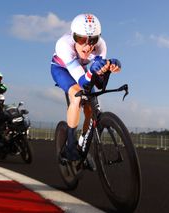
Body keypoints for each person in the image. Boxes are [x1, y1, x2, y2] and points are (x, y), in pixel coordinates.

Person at [50, 13, 121, 161]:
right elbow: (83, 82)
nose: (88, 46)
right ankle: (70, 146)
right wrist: (94, 70)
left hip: (82, 71)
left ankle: (82, 143)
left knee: (91, 107)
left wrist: (108, 67)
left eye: (93, 40)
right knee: (77, 97)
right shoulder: (63, 44)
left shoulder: (100, 45)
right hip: (61, 70)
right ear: (73, 36)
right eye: (81, 39)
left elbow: (99, 82)